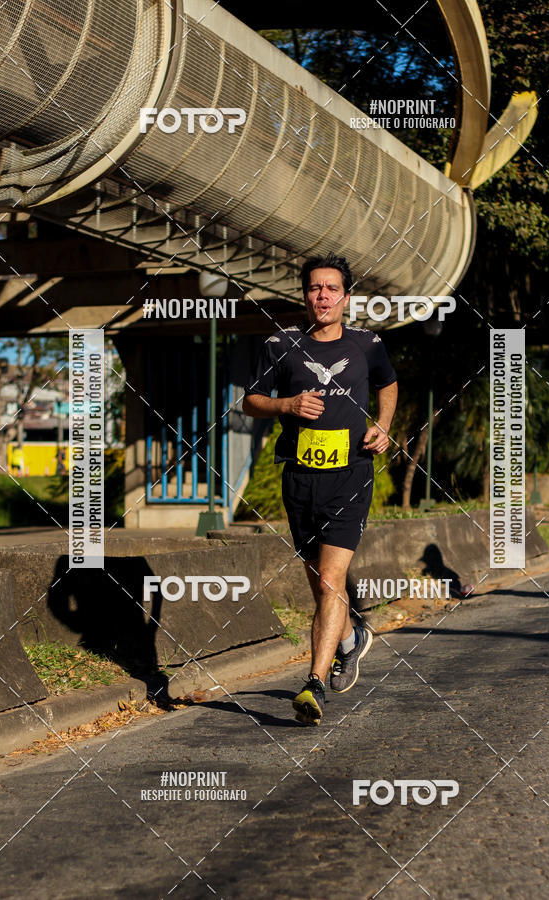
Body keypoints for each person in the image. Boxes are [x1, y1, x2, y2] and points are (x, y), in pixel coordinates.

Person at [243, 253, 398, 725]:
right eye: (314, 289)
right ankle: (351, 640)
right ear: (305, 296)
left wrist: (384, 425)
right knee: (318, 583)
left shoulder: (367, 344)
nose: (322, 296)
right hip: (301, 477)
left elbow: (389, 384)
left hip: (351, 475)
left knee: (331, 581)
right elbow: (251, 401)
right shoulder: (281, 344)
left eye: (331, 288)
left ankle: (313, 683)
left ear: (346, 297)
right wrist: (287, 404)